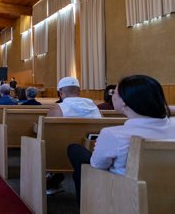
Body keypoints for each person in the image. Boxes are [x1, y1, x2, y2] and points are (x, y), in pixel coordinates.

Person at [67, 75, 175, 203]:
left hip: (125, 196)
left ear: (124, 101)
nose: (112, 95)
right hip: (168, 191)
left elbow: (97, 165)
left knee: (76, 151)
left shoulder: (113, 134)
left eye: (115, 92)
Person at [46, 76, 101, 195]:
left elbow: (48, 133)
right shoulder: (94, 107)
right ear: (79, 91)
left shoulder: (57, 109)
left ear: (60, 92)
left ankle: (52, 181)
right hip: (92, 154)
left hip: (60, 155)